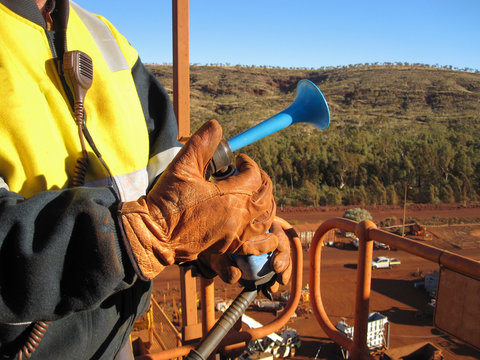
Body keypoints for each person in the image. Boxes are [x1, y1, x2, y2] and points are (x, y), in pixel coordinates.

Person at [0, 0, 291, 359]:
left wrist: (217, 242)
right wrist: (139, 235)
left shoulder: (105, 37)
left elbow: (165, 188)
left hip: (117, 338)